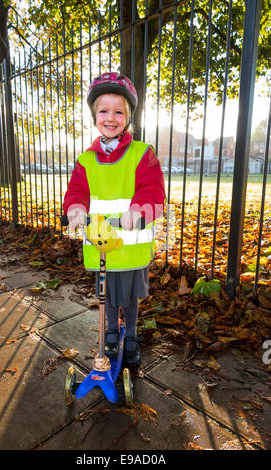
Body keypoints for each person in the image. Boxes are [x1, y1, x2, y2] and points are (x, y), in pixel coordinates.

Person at [63, 72, 165, 367]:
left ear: (128, 117)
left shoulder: (142, 153)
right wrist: (75, 209)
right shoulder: (86, 160)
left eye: (118, 111)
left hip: (131, 244)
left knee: (130, 295)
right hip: (102, 243)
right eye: (103, 111)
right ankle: (110, 331)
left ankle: (131, 333)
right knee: (106, 293)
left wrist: (139, 210)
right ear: (95, 116)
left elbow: (153, 191)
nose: (111, 117)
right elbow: (77, 192)